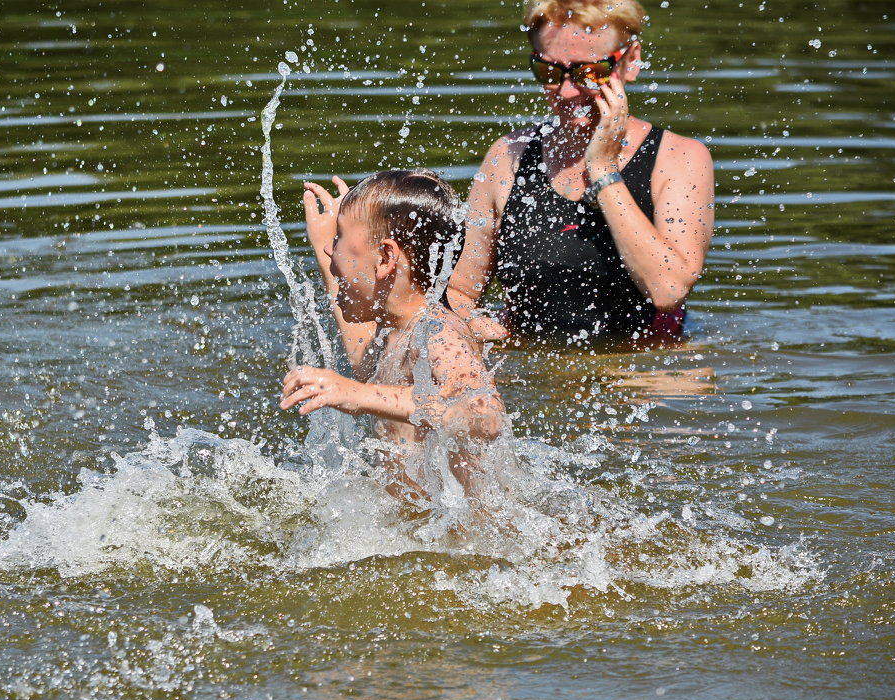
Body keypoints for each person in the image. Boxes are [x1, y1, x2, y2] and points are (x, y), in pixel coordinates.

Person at [447, 0, 715, 345]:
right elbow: (458, 291)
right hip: (535, 369)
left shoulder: (680, 158)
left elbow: (669, 289)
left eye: (590, 73)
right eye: (550, 72)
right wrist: (479, 328)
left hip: (645, 373)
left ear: (630, 61)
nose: (568, 90)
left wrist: (602, 170)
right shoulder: (508, 156)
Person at [280, 169, 505, 497]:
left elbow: (485, 415)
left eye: (340, 238)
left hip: (470, 537)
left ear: (386, 257)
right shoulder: (396, 331)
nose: (331, 249)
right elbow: (364, 360)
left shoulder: (439, 333)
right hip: (425, 525)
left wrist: (356, 395)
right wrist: (323, 245)